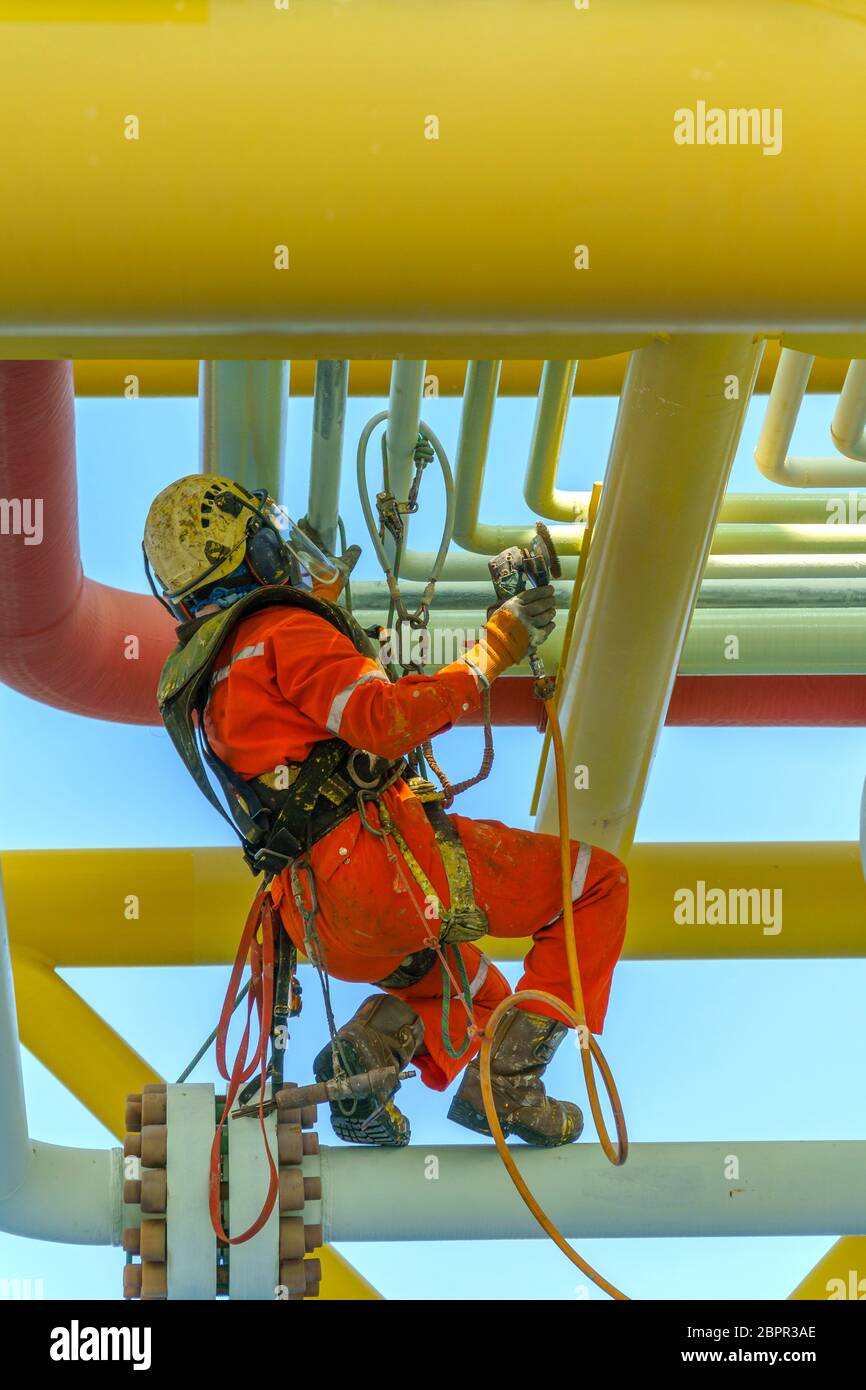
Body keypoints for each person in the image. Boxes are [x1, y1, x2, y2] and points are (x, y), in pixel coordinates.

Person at [144, 474, 628, 1148]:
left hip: (319, 919)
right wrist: (495, 650)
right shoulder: (280, 629)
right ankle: (512, 1085)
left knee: (480, 998)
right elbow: (381, 719)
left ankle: (366, 1058)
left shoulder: (211, 684)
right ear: (251, 549)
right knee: (599, 883)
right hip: (385, 873)